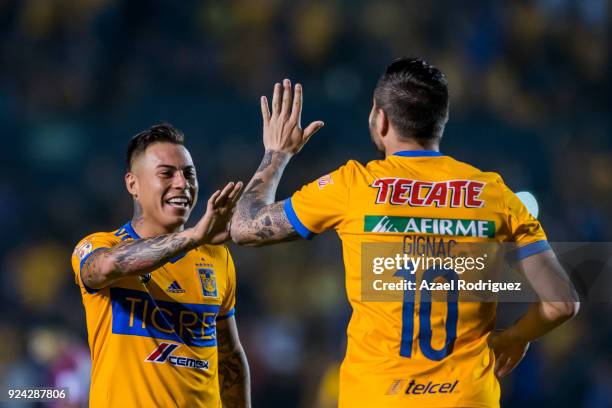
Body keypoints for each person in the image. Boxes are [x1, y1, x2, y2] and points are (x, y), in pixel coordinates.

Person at [230, 58, 579, 407]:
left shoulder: (355, 186)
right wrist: (515, 338)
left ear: (380, 119)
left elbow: (244, 227)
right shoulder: (494, 194)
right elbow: (562, 302)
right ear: (440, 121)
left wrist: (276, 155)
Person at [71, 124, 250, 408]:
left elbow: (230, 357)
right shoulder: (100, 246)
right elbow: (106, 267)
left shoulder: (216, 257)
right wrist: (193, 236)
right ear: (133, 184)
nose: (182, 183)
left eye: (189, 174)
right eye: (166, 173)